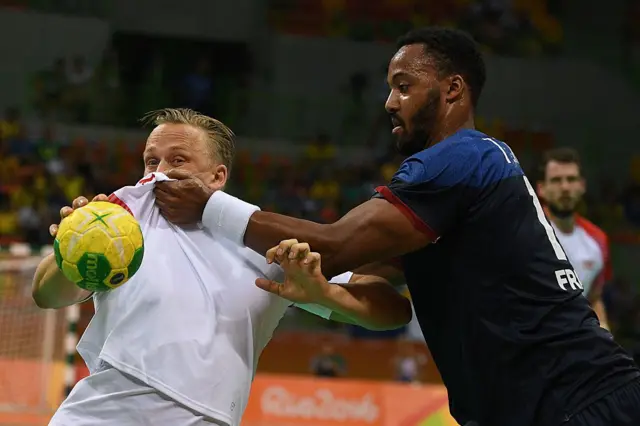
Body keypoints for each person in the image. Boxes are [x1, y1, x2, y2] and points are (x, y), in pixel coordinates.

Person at [154, 28, 640, 426]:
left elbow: (337, 246)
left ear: (453, 89)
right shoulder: (464, 182)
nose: (389, 101)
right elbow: (384, 304)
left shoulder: (459, 158)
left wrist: (209, 206)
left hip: (575, 399)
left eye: (404, 86)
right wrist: (324, 296)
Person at [32, 108, 412, 426]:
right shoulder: (121, 225)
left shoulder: (264, 244)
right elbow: (46, 295)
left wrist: (325, 294)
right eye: (152, 160)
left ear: (217, 177)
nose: (159, 172)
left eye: (178, 160)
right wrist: (75, 249)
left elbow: (391, 309)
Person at [537, 148, 611, 330]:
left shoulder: (597, 240)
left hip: (573, 345)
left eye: (571, 179)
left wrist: (603, 327)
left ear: (582, 186)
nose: (564, 187)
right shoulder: (525, 232)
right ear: (541, 189)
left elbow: (594, 297)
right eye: (556, 180)